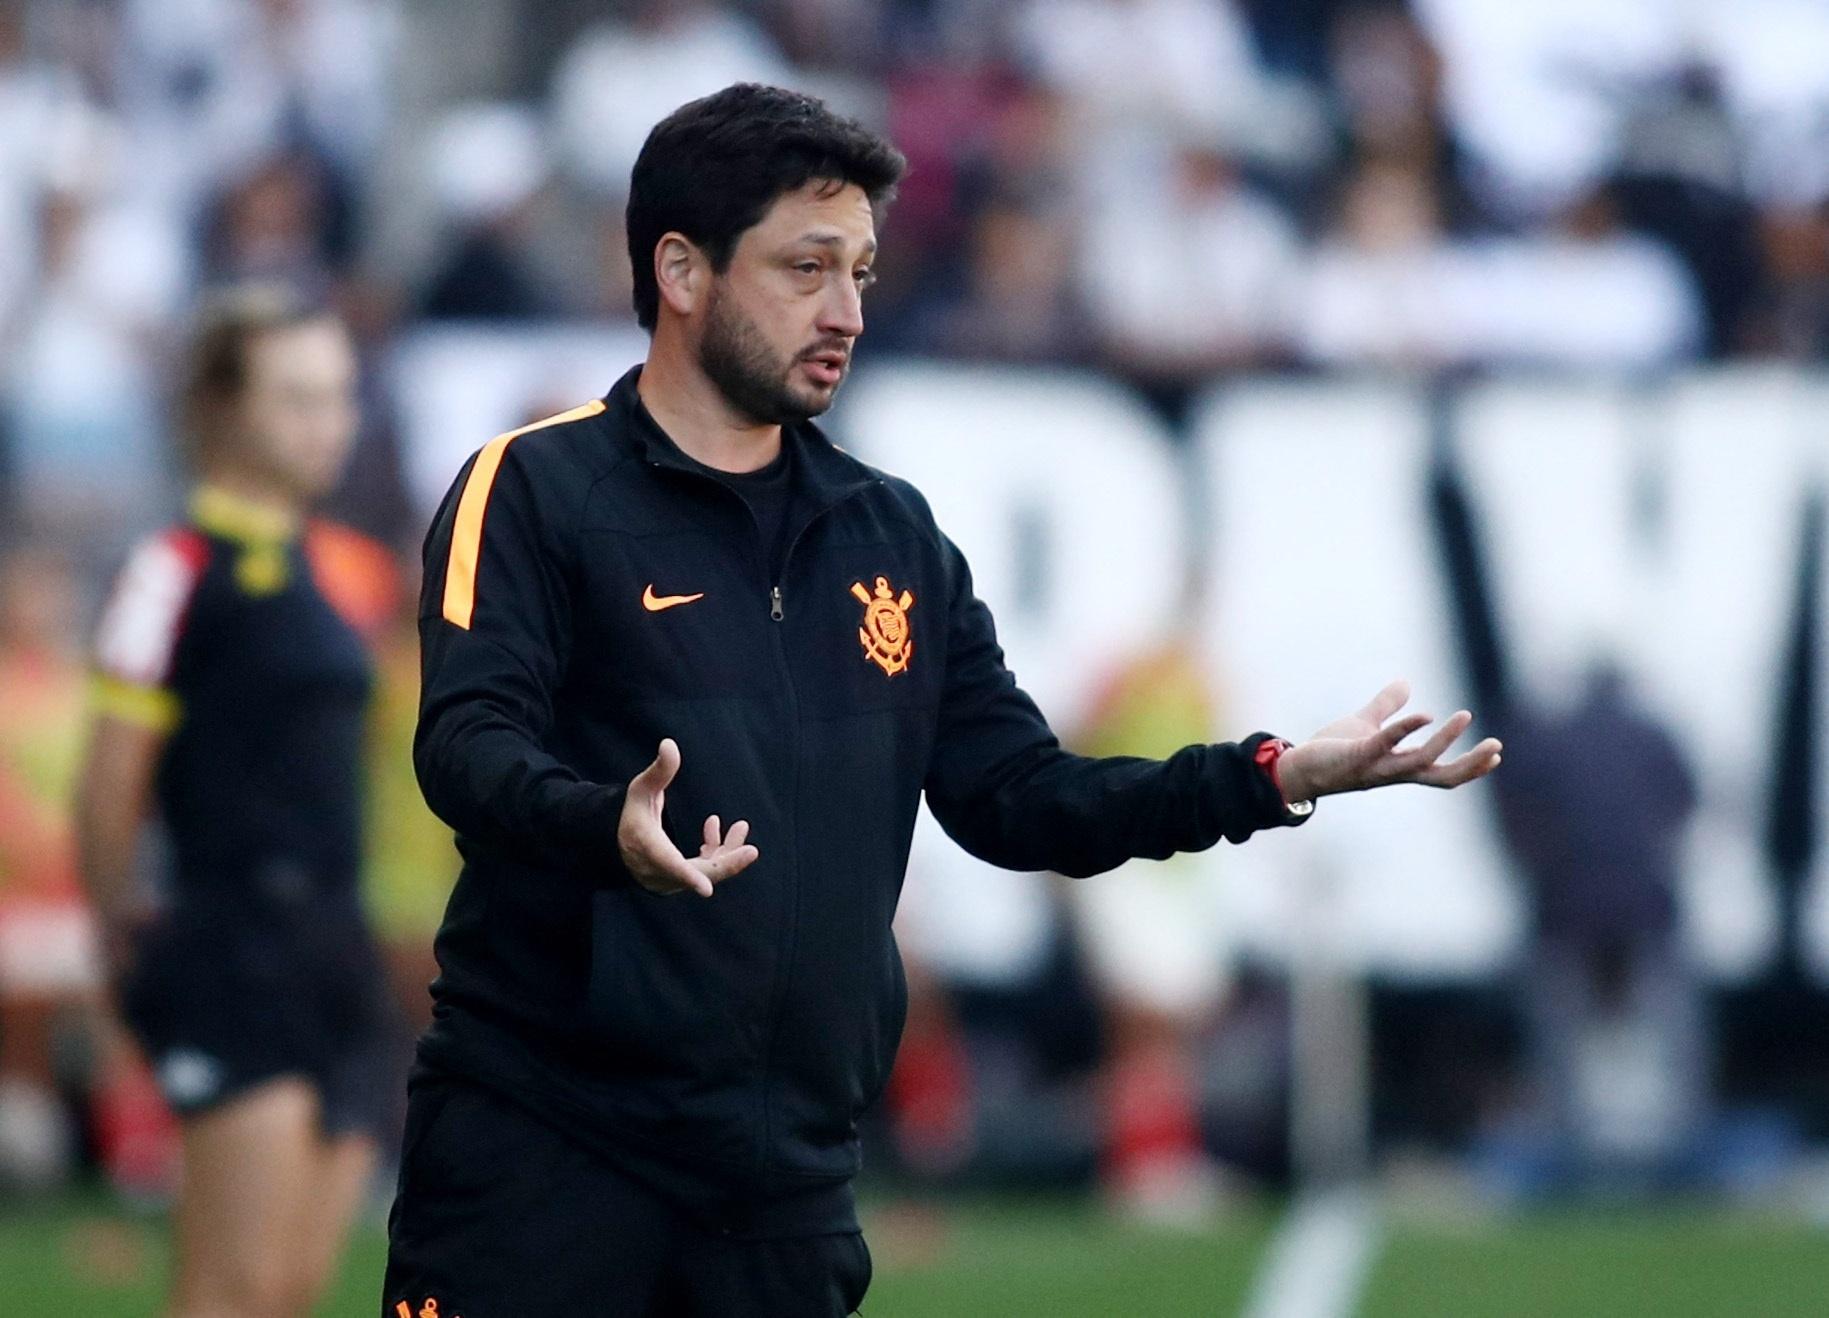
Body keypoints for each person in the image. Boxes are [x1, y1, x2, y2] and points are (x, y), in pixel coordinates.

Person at [384, 82, 1503, 1318]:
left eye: (860, 270)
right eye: (807, 267)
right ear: (681, 270)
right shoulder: (535, 488)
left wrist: (1268, 777)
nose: (847, 311)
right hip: (547, 1145)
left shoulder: (890, 532)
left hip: (784, 1181)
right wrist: (604, 825)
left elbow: (1021, 800)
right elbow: (466, 744)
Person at [74, 287, 396, 1318]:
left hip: (334, 949)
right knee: (231, 1290)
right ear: (221, 406)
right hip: (235, 943)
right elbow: (109, 776)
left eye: (338, 396)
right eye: (297, 396)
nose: (328, 421)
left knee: (292, 1289)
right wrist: (120, 932)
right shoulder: (174, 566)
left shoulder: (330, 566)